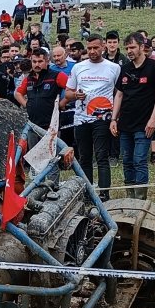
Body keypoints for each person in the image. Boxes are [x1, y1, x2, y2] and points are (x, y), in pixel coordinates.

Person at [63, 34, 119, 198]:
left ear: (103, 47)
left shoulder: (114, 68)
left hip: (103, 118)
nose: (93, 51)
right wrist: (75, 95)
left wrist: (115, 116)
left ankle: (104, 194)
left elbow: (119, 93)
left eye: (96, 47)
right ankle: (87, 193)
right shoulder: (78, 67)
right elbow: (68, 92)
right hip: (81, 118)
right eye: (90, 48)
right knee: (85, 157)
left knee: (102, 156)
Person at [110, 34, 155, 200]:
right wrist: (113, 118)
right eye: (127, 48)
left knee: (139, 159)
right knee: (126, 160)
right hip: (125, 122)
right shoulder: (125, 68)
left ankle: (140, 199)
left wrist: (154, 119)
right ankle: (130, 196)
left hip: (144, 122)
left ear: (142, 47)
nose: (129, 51)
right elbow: (119, 94)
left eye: (132, 47)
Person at [16, 49, 67, 127]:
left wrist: (62, 103)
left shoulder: (57, 75)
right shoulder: (28, 78)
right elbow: (18, 93)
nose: (37, 64)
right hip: (32, 124)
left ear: (47, 61)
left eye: (40, 61)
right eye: (34, 62)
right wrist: (27, 105)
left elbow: (72, 90)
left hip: (52, 125)